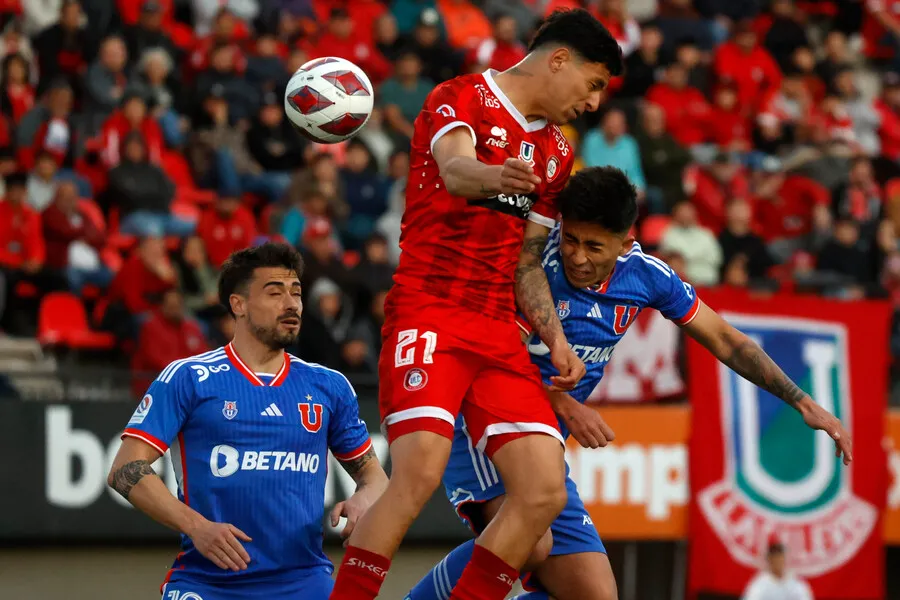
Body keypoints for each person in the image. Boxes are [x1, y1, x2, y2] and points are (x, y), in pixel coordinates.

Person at [406, 167, 851, 600]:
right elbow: (489, 360)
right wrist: (562, 402)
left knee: (594, 594)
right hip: (485, 430)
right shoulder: (534, 270)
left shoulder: (647, 277)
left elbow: (726, 340)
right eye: (572, 240)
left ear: (626, 242)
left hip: (541, 449)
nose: (577, 256)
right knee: (531, 544)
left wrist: (802, 402)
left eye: (594, 246)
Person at [329, 9, 624, 600]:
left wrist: (558, 340)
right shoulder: (461, 94)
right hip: (429, 309)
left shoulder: (555, 155)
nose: (593, 103)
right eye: (593, 84)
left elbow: (525, 264)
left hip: (496, 330)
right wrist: (497, 176)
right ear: (559, 59)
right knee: (416, 475)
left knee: (543, 492)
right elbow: (458, 171)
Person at [107, 242, 388, 600]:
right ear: (238, 305)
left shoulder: (328, 385)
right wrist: (198, 527)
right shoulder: (189, 378)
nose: (291, 304)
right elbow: (125, 468)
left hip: (304, 581)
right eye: (274, 293)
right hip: (207, 582)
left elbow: (375, 477)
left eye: (296, 293)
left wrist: (366, 496)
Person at [742, 537, 814, 600]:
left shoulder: (795, 581)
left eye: (780, 556)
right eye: (775, 557)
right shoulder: (759, 584)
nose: (778, 560)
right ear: (769, 559)